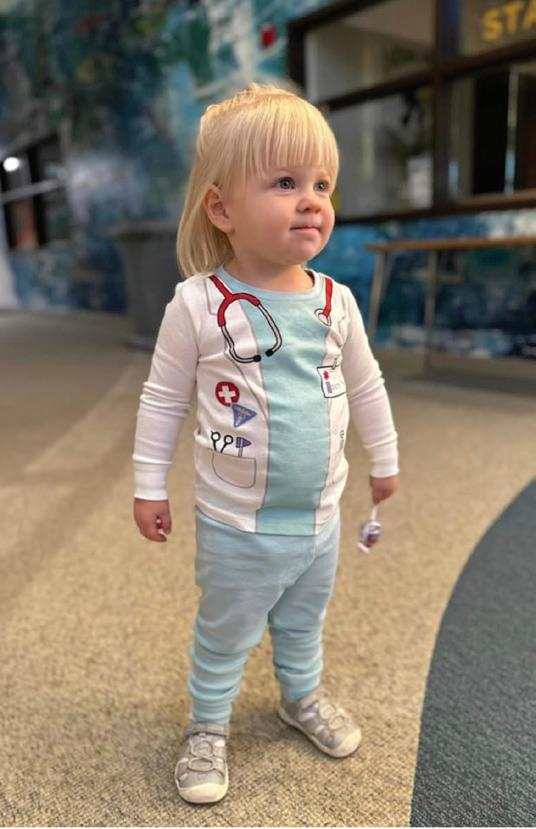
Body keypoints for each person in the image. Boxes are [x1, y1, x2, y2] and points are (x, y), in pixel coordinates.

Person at [132, 82, 399, 805]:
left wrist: (385, 459)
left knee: (305, 622)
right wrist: (148, 484)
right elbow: (162, 399)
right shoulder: (198, 304)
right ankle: (207, 725)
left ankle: (300, 697)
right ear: (221, 209)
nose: (311, 201)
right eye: (284, 183)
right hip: (236, 523)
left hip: (319, 517)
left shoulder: (336, 301)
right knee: (226, 632)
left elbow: (366, 385)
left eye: (322, 185)